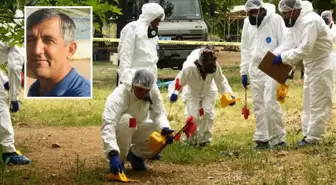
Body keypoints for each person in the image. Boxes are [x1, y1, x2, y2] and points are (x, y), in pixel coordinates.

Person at [273, 0, 334, 147]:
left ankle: (315, 138)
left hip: (322, 66)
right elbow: (288, 43)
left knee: (319, 102)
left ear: (295, 10)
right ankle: (308, 133)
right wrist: (272, 56)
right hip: (310, 65)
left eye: (287, 13)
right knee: (308, 102)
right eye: (283, 13)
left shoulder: (311, 21)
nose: (285, 16)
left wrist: (283, 57)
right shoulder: (295, 22)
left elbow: (304, 49)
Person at [101, 69, 174, 173]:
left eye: (146, 91)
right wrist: (112, 153)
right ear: (133, 84)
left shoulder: (153, 90)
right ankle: (120, 161)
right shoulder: (120, 94)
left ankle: (136, 156)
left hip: (139, 125)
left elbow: (159, 113)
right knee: (128, 120)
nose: (143, 94)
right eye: (140, 90)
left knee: (160, 133)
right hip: (121, 128)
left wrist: (165, 128)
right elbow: (109, 123)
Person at [240, 0, 287, 150]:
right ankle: (262, 138)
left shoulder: (275, 19)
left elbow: (285, 42)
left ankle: (278, 139)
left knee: (270, 102)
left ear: (261, 9)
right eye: (248, 13)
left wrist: (281, 64)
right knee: (258, 104)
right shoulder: (248, 23)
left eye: (253, 12)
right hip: (255, 68)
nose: (251, 16)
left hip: (272, 63)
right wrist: (244, 71)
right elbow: (245, 48)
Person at [168, 47, 235, 147]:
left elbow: (221, 82)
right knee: (193, 116)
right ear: (199, 65)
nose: (206, 74)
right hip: (192, 91)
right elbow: (178, 83)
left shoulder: (214, 66)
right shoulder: (189, 68)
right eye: (205, 71)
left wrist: (229, 95)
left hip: (208, 89)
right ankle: (191, 141)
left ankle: (205, 141)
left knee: (207, 112)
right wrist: (174, 94)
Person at [26, 8, 90, 97]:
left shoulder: (82, 94)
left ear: (70, 49)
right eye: (30, 40)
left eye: (48, 40)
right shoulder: (35, 88)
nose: (36, 50)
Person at [117, 2, 165, 86]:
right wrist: (127, 80)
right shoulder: (132, 28)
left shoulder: (152, 33)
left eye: (159, 20)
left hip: (150, 78)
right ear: (150, 17)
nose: (158, 23)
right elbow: (125, 55)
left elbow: (152, 58)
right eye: (156, 20)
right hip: (133, 76)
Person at [0, 42, 31, 165]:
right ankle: (9, 152)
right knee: (2, 107)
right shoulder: (18, 37)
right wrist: (14, 97)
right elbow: (14, 66)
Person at [321, 10, 336, 98]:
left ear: (331, 18)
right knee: (325, 79)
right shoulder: (320, 28)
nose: (326, 20)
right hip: (324, 57)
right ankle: (327, 97)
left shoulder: (335, 28)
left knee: (333, 78)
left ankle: (332, 98)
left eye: (327, 18)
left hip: (334, 56)